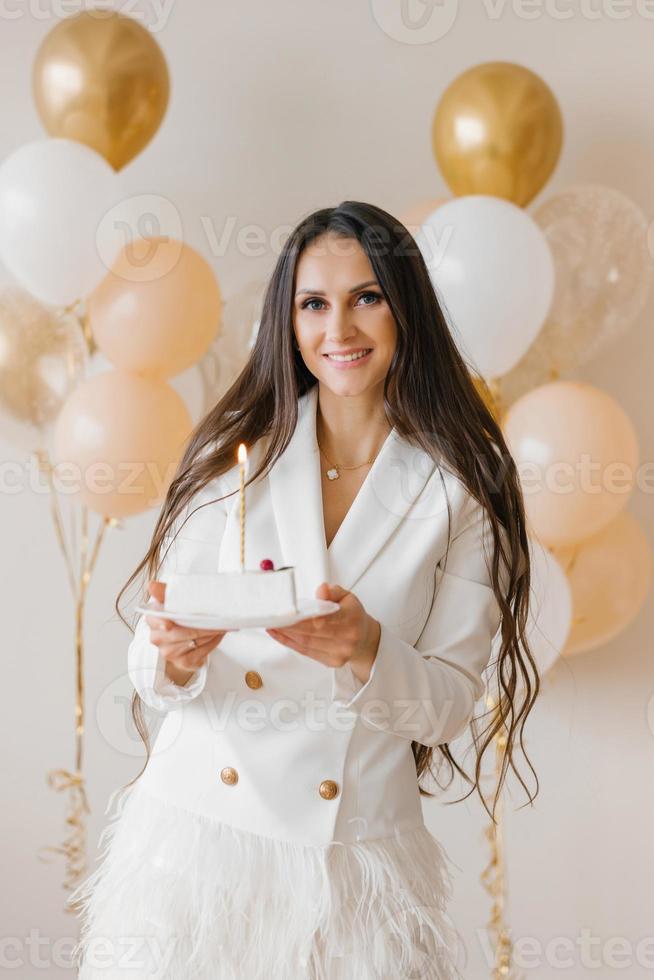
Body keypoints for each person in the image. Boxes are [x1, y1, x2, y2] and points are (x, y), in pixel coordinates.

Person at [68, 201, 539, 979]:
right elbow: (151, 667)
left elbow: (449, 704)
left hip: (351, 872)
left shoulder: (461, 489)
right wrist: (175, 657)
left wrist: (365, 648)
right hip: (197, 849)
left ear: (405, 304)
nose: (339, 330)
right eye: (313, 304)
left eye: (367, 297)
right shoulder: (232, 458)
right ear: (287, 322)